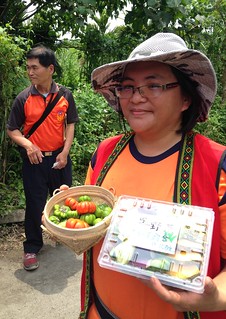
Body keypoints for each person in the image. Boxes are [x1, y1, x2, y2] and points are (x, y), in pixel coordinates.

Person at [79, 33, 226, 319]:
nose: (136, 97)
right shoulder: (104, 154)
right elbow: (92, 226)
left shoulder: (216, 165)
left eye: (154, 85)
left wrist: (214, 297)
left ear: (185, 98)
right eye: (128, 86)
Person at [7, 45, 79, 271]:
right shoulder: (24, 98)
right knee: (35, 204)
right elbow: (12, 129)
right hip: (34, 162)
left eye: (35, 67)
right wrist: (29, 145)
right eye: (28, 67)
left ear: (51, 69)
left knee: (63, 200)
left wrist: (65, 151)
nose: (30, 72)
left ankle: (60, 235)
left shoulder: (65, 95)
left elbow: (70, 124)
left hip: (59, 158)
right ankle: (32, 247)